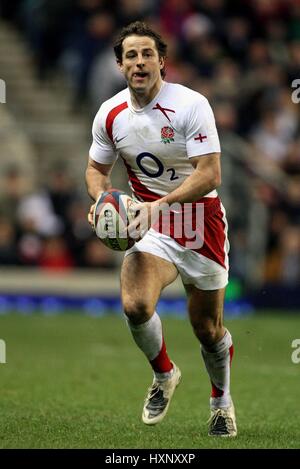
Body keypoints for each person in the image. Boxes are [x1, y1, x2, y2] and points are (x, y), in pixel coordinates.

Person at [85, 21, 237, 437]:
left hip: (199, 220)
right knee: (135, 304)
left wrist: (161, 205)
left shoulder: (191, 105)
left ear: (161, 61)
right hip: (150, 224)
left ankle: (221, 401)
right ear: (120, 65)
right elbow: (96, 170)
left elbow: (210, 174)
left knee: (207, 329)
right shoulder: (110, 113)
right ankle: (164, 373)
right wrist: (101, 200)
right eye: (131, 55)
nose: (139, 62)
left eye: (147, 54)